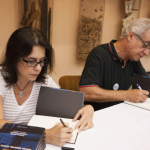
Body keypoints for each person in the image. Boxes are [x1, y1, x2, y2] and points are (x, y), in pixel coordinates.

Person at [0, 27, 94, 146]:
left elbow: (67, 108)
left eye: (42, 61)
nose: (38, 68)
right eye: (31, 61)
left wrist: (88, 108)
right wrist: (45, 135)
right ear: (14, 57)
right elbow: (0, 127)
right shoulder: (0, 79)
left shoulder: (45, 81)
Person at [79, 18, 150, 111]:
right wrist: (127, 95)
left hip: (119, 115)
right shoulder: (99, 54)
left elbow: (147, 86)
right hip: (96, 118)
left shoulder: (133, 59)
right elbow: (86, 93)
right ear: (131, 36)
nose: (147, 53)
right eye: (145, 45)